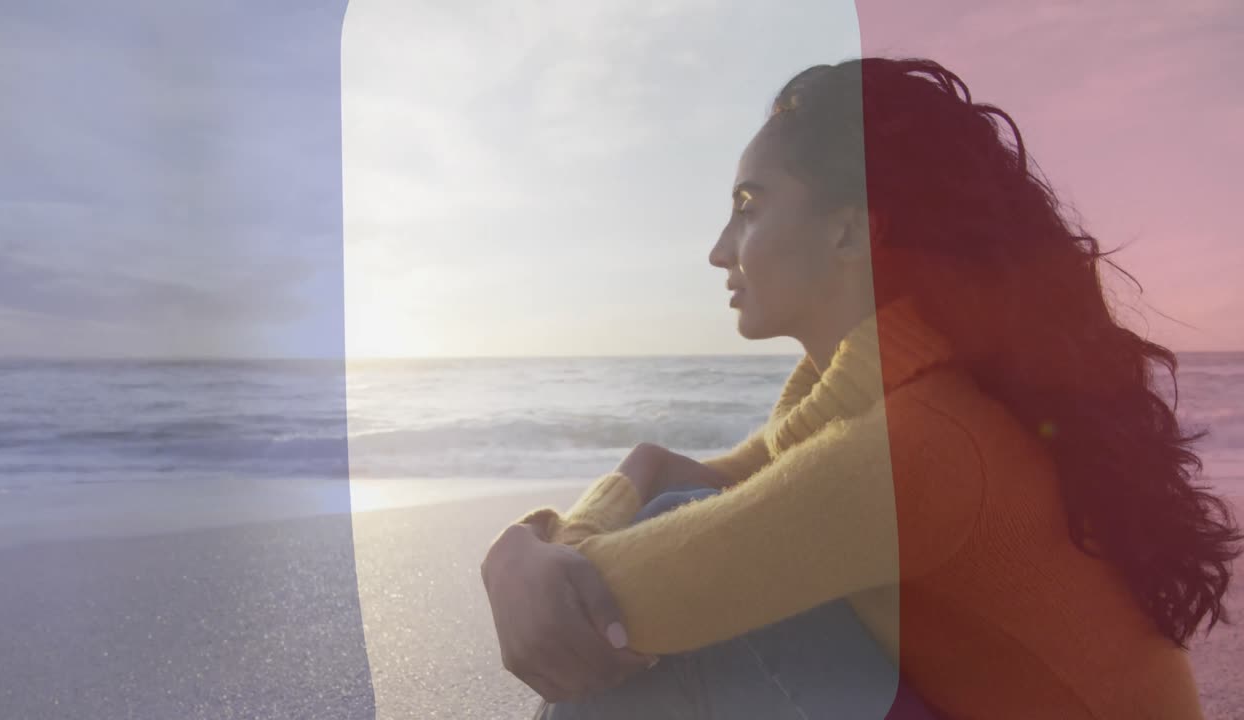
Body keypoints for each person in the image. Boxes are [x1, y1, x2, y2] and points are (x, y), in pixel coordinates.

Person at [480, 57, 1242, 719]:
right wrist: (625, 476)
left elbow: (595, 605)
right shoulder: (886, 394)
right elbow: (712, 480)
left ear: (849, 231)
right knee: (683, 514)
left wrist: (530, 553)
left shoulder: (927, 445)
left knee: (665, 620)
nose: (718, 251)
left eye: (749, 207)